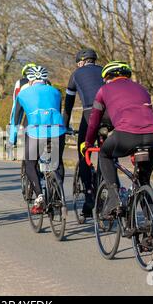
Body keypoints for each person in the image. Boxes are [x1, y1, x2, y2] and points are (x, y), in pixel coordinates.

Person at [82, 61, 153, 219]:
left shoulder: (103, 90)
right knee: (143, 181)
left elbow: (93, 121)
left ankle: (114, 199)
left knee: (105, 155)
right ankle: (150, 232)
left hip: (126, 134)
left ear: (108, 77)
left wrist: (88, 143)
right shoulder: (141, 88)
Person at [9, 66, 66, 214]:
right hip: (57, 131)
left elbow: (16, 119)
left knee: (30, 163)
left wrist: (12, 139)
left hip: (36, 131)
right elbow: (58, 112)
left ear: (30, 79)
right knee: (57, 162)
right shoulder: (56, 92)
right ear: (45, 78)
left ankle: (40, 196)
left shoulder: (23, 93)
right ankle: (59, 196)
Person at [63, 48, 108, 216]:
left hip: (90, 113)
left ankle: (89, 196)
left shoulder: (76, 74)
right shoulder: (104, 71)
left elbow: (68, 104)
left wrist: (65, 125)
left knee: (84, 153)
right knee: (107, 152)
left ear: (81, 62)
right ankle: (107, 186)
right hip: (109, 114)